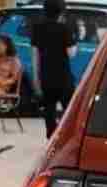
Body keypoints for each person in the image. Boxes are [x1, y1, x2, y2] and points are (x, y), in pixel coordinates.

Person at [31, 0, 78, 139]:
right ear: (61, 11)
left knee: (49, 109)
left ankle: (51, 136)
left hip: (46, 75)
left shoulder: (38, 28)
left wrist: (36, 78)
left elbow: (34, 55)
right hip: (63, 75)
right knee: (69, 109)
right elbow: (71, 53)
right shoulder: (64, 28)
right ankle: (67, 136)